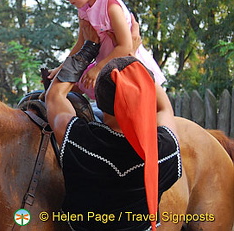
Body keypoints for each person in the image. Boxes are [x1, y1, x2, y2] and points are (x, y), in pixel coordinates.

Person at [45, 52, 182, 230]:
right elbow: (164, 108)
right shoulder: (165, 151)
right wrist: (139, 74)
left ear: (99, 101)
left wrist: (88, 49)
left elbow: (54, 96)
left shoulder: (78, 139)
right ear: (148, 98)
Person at [49, 0, 166, 100]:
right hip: (107, 66)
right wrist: (62, 67)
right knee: (74, 85)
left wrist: (98, 68)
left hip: (127, 66)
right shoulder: (83, 8)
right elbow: (81, 43)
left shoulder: (111, 5)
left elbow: (126, 46)